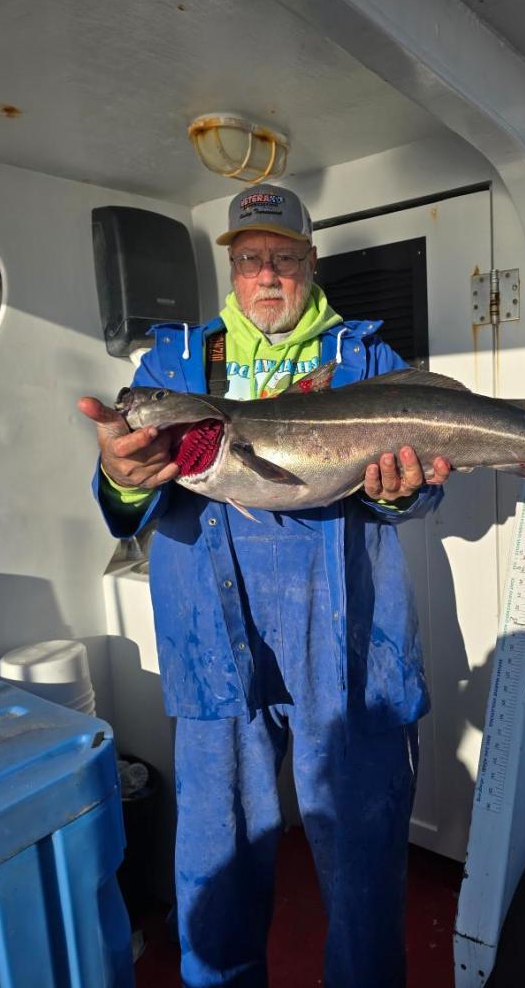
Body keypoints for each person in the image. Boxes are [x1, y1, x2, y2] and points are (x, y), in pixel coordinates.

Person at [78, 184, 452, 988]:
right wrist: (123, 476)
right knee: (217, 868)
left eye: (284, 257)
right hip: (215, 645)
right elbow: (117, 509)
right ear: (233, 270)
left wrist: (400, 492)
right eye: (250, 260)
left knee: (362, 867)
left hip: (351, 648)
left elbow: (425, 491)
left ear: (311, 263)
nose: (268, 275)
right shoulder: (173, 366)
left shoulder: (369, 359)